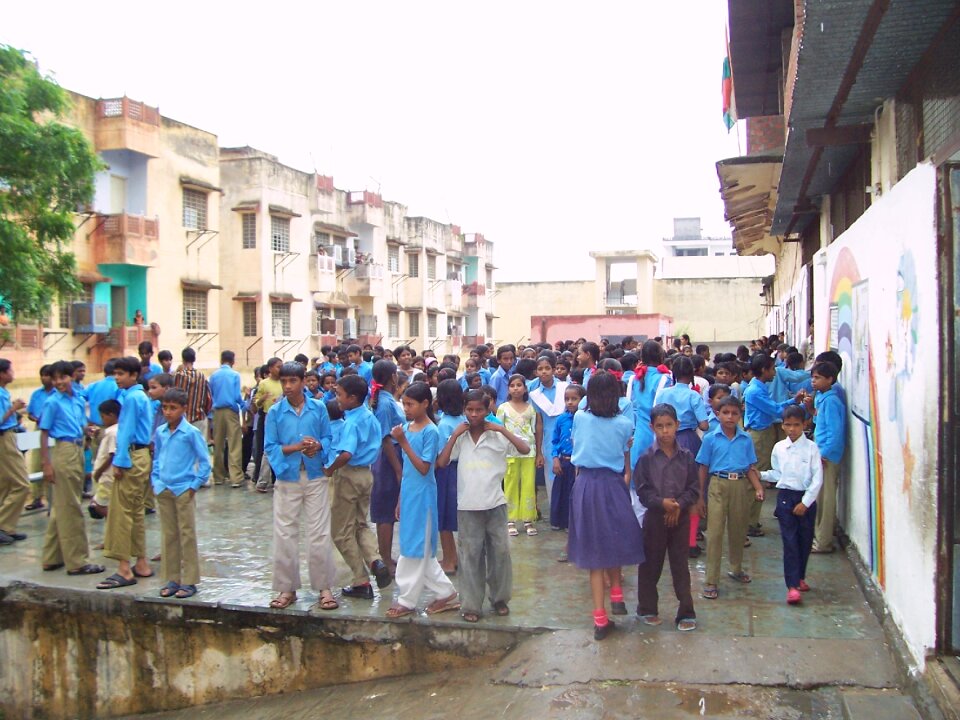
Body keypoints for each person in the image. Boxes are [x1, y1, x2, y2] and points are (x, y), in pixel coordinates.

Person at [437, 389, 530, 622]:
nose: (474, 414)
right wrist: (454, 435)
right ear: (464, 410)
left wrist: (501, 429)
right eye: (470, 410)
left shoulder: (497, 434)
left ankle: (499, 599)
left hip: (495, 503)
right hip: (467, 505)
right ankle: (471, 605)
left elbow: (524, 449)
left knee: (500, 553)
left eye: (480, 410)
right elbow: (442, 461)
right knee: (470, 556)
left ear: (488, 409)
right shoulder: (461, 436)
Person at [568, 371, 644, 640]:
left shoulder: (579, 417)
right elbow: (625, 457)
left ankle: (600, 618)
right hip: (613, 484)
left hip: (586, 484)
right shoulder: (624, 424)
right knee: (615, 537)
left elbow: (578, 448)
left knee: (593, 552)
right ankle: (617, 593)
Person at [264, 363, 337, 611]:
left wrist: (318, 446)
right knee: (285, 533)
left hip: (315, 475)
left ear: (303, 381)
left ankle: (324, 588)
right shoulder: (275, 412)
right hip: (288, 477)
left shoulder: (318, 408)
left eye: (293, 381)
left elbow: (328, 438)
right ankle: (287, 588)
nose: (287, 387)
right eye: (284, 381)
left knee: (319, 533)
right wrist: (296, 447)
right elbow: (271, 447)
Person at [385, 382, 460, 617]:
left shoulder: (431, 431)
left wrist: (404, 443)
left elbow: (424, 468)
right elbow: (407, 470)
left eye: (410, 404)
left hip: (423, 497)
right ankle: (446, 593)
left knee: (414, 548)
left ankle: (407, 600)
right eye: (404, 404)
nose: (406, 408)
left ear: (425, 404)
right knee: (416, 547)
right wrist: (400, 498)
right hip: (409, 494)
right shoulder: (407, 428)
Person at [324, 374, 392, 599]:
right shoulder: (369, 416)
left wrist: (330, 469)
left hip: (349, 475)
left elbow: (346, 453)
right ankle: (375, 559)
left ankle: (361, 580)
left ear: (352, 398)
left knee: (341, 532)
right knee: (361, 524)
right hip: (366, 474)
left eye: (340, 395)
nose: (337, 398)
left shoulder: (351, 422)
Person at [635, 404, 698, 631]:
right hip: (655, 518)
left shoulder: (687, 457)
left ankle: (686, 612)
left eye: (669, 425)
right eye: (660, 426)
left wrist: (679, 505)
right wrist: (663, 504)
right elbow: (643, 490)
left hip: (680, 518)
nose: (665, 431)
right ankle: (647, 608)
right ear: (652, 427)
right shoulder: (646, 458)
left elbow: (693, 487)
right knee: (651, 563)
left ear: (677, 426)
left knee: (680, 564)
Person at [37, 360, 103, 573]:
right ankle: (77, 561)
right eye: (55, 378)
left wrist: (87, 431)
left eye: (63, 377)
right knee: (72, 508)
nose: (58, 382)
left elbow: (78, 424)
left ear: (71, 377)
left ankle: (52, 557)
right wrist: (46, 463)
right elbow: (44, 432)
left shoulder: (76, 399)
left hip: (77, 449)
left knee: (62, 505)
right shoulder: (52, 402)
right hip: (63, 451)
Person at [695, 396, 763, 600]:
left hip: (740, 485)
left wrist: (758, 487)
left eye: (734, 413)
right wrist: (699, 496)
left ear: (740, 414)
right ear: (717, 414)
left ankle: (736, 568)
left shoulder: (746, 439)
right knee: (715, 532)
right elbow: (703, 467)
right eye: (725, 413)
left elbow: (750, 467)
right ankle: (711, 580)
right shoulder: (710, 439)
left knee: (738, 529)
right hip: (717, 484)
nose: (730, 417)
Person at [98, 356, 153, 590]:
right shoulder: (141, 396)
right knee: (136, 511)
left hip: (131, 457)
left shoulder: (132, 398)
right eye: (116, 374)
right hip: (141, 456)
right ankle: (141, 562)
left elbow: (126, 431)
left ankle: (124, 568)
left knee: (122, 513)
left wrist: (119, 462)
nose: (117, 378)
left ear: (133, 375)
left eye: (121, 374)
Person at [152, 388, 211, 600]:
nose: (168, 412)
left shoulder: (191, 433)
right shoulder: (160, 432)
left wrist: (194, 485)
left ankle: (189, 580)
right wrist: (156, 481)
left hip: (184, 488)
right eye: (165, 408)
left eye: (173, 408)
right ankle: (171, 578)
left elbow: (204, 462)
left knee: (187, 534)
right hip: (164, 488)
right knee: (169, 535)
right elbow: (157, 458)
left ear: (183, 409)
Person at [760, 405, 822, 604]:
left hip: (806, 498)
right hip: (786, 498)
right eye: (788, 425)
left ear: (805, 424)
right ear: (783, 426)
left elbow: (817, 479)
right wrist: (759, 475)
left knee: (805, 540)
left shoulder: (812, 448)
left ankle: (800, 577)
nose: (792, 429)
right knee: (790, 542)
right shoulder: (779, 448)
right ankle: (792, 586)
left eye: (797, 425)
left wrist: (805, 502)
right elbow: (777, 474)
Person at [743, 354, 803, 537]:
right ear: (763, 370)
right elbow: (775, 409)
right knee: (756, 476)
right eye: (771, 369)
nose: (774, 373)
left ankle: (751, 519)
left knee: (759, 474)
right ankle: (748, 522)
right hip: (759, 435)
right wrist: (795, 401)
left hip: (763, 432)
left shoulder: (759, 388)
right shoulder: (754, 391)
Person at [804, 361, 846, 553]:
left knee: (827, 499)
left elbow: (835, 433)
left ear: (830, 379)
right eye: (812, 377)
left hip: (828, 457)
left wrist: (825, 454)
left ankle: (823, 541)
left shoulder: (831, 401)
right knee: (819, 497)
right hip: (822, 454)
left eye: (818, 378)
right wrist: (811, 409)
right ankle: (819, 535)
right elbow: (821, 422)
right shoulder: (822, 398)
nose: (813, 381)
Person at [369, 359, 405, 574]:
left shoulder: (388, 399)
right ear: (393, 377)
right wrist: (398, 469)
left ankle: (387, 555)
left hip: (392, 457)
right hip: (387, 460)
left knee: (390, 510)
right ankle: (384, 558)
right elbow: (385, 438)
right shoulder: (384, 404)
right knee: (385, 512)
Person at [497, 374, 540, 537]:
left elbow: (534, 430)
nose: (516, 388)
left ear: (525, 388)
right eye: (512, 385)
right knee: (510, 485)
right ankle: (510, 520)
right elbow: (499, 431)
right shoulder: (503, 408)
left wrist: (539, 453)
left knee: (528, 485)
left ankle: (528, 519)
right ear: (508, 388)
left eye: (519, 385)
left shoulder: (531, 408)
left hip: (529, 453)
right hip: (509, 454)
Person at [529, 355, 568, 515]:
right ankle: (556, 514)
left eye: (547, 368)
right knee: (551, 475)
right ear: (536, 372)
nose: (544, 372)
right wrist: (539, 451)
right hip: (548, 440)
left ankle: (570, 514)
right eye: (540, 369)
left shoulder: (565, 388)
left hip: (568, 439)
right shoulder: (535, 394)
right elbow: (539, 423)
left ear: (553, 369)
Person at [434, 379, 465, 574]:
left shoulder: (443, 424)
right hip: (464, 470)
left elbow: (440, 457)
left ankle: (449, 559)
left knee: (444, 519)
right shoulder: (464, 419)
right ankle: (454, 557)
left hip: (447, 472)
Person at [551, 384, 585, 558]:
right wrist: (555, 458)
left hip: (578, 464)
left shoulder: (584, 419)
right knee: (563, 495)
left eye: (574, 399)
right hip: (563, 461)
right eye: (567, 399)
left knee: (576, 498)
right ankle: (565, 526)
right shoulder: (561, 419)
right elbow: (555, 440)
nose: (570, 402)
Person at [628, 341, 673, 468]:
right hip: (657, 431)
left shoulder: (634, 378)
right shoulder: (664, 378)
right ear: (660, 355)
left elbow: (631, 405)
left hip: (638, 432)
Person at [0, 359, 30, 544]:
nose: (13, 373)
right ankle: (3, 524)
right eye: (10, 370)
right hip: (4, 439)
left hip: (8, 436)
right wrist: (14, 408)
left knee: (5, 484)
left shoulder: (3, 392)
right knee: (22, 484)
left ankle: (7, 527)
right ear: (2, 373)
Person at [654, 356, 709, 458]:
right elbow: (704, 426)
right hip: (688, 438)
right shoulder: (693, 395)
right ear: (691, 372)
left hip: (664, 437)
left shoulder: (662, 393)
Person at [209, 350, 245, 488]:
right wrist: (243, 405)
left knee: (218, 444)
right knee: (234, 444)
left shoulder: (214, 375)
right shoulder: (235, 375)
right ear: (232, 361)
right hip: (231, 411)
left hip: (217, 411)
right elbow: (236, 396)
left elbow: (211, 394)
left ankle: (218, 476)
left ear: (221, 360)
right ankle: (235, 477)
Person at [25, 364, 55, 511]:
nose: (44, 378)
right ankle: (37, 497)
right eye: (42, 375)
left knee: (52, 463)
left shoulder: (57, 394)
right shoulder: (37, 394)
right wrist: (34, 418)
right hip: (39, 428)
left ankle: (52, 499)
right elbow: (29, 412)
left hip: (54, 430)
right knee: (37, 463)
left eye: (47, 375)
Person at [253, 358, 283, 492]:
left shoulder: (284, 382)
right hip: (268, 418)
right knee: (268, 449)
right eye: (278, 367)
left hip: (283, 418)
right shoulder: (264, 383)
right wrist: (263, 399)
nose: (280, 369)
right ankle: (262, 481)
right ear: (270, 368)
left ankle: (280, 479)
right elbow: (256, 403)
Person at [90, 399, 120, 520]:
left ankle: (116, 522)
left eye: (103, 416)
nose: (102, 420)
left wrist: (98, 472)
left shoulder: (112, 433)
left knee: (101, 505)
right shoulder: (116, 430)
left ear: (111, 415)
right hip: (107, 475)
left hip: (106, 476)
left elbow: (112, 455)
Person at [173, 347, 212, 439]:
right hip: (199, 417)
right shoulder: (202, 376)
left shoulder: (178, 376)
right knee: (199, 448)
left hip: (182, 419)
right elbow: (208, 398)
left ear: (183, 359)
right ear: (194, 359)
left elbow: (173, 395)